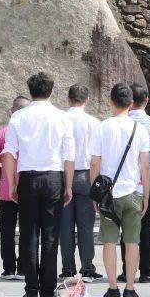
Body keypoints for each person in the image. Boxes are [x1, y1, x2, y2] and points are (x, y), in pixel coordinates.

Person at [2, 72, 76, 297]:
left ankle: (31, 289)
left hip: (28, 178)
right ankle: (47, 289)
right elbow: (69, 156)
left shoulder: (18, 117)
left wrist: (12, 184)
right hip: (54, 177)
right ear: (51, 91)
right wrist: (69, 187)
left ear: (30, 90)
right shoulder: (62, 117)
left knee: (29, 234)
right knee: (51, 235)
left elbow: (9, 153)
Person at [89, 83, 150, 297]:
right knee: (132, 241)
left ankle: (113, 288)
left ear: (110, 101)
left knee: (109, 242)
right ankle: (131, 289)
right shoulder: (140, 129)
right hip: (133, 192)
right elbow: (145, 166)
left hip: (109, 195)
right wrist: (146, 195)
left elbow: (95, 164)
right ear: (131, 103)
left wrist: (95, 194)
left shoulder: (101, 127)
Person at [118, 82, 150, 285]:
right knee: (147, 226)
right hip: (149, 176)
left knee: (125, 225)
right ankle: (146, 270)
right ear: (147, 100)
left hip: (125, 176)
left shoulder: (118, 123)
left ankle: (126, 269)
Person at [60, 84, 100, 282]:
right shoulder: (94, 122)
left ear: (68, 98)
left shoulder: (60, 118)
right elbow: (97, 157)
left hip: (63, 175)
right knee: (86, 226)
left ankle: (67, 268)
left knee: (65, 226)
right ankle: (87, 267)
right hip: (86, 175)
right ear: (87, 100)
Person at [0, 95, 29, 280]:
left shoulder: (1, 133)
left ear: (11, 111)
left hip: (6, 190)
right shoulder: (31, 134)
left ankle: (8, 268)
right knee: (26, 230)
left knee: (6, 231)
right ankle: (23, 268)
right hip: (28, 189)